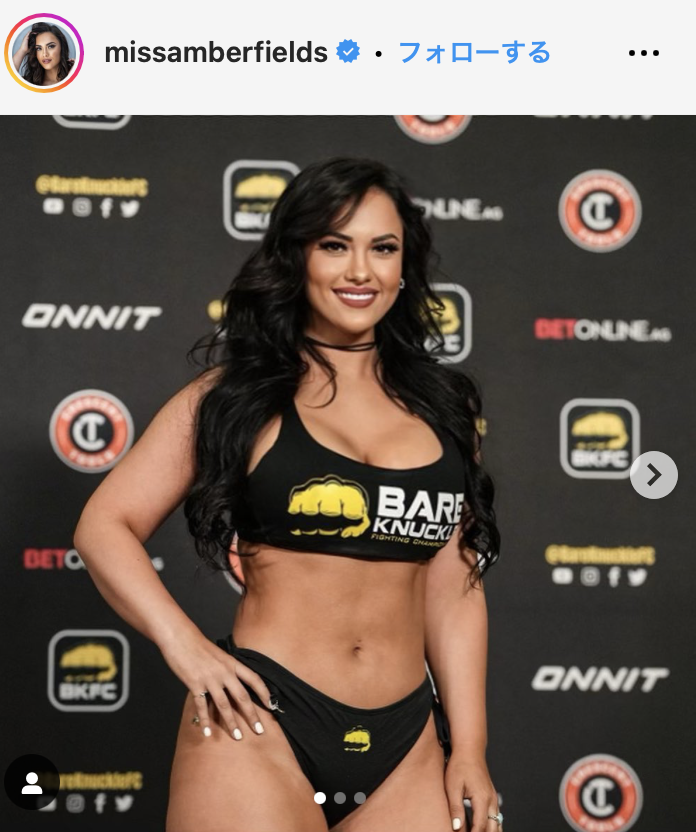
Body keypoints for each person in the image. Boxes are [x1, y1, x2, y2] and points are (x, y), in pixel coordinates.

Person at [73, 156, 502, 832]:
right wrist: (187, 648)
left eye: (382, 248)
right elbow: (104, 525)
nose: (360, 271)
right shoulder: (234, 397)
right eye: (334, 245)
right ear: (296, 255)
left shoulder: (446, 408)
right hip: (260, 723)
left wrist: (469, 747)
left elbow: (454, 588)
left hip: (407, 742)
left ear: (405, 264)